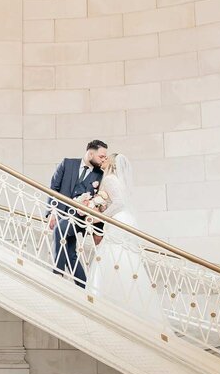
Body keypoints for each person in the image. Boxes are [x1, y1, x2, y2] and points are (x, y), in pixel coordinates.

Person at [87, 153, 165, 326]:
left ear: (112, 163)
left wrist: (100, 217)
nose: (103, 161)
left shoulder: (109, 179)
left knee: (112, 257)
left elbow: (119, 203)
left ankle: (112, 303)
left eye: (106, 159)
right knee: (128, 261)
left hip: (118, 220)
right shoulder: (121, 181)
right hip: (127, 219)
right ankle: (133, 306)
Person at [47, 140, 107, 287]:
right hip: (61, 212)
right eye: (101, 156)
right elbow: (53, 187)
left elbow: (102, 202)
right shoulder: (67, 164)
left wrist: (99, 231)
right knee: (69, 252)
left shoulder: (100, 175)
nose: (103, 160)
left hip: (80, 218)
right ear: (91, 153)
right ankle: (84, 287)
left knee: (59, 230)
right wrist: (52, 213)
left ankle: (57, 274)